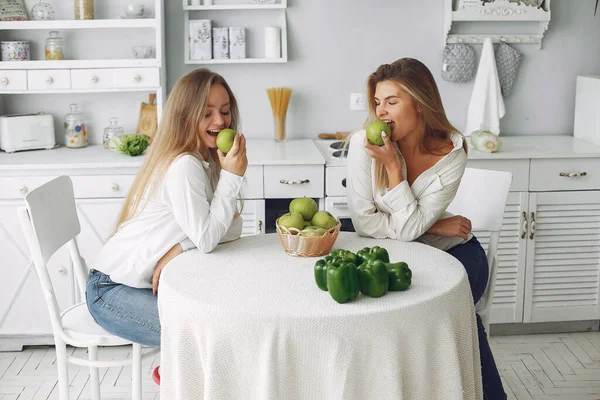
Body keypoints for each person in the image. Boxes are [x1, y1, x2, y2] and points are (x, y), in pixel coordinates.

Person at [346, 58, 506, 400]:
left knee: (457, 313)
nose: (381, 112)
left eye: (391, 102)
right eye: (377, 103)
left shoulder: (452, 153)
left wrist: (394, 172)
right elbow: (363, 223)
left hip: (455, 253)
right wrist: (435, 222)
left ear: (419, 104)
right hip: (396, 254)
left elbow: (403, 229)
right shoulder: (364, 144)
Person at [85, 68, 247, 384]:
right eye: (207, 113)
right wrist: (233, 177)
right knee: (208, 334)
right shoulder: (184, 166)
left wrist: (181, 246)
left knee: (222, 322)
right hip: (112, 291)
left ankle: (181, 373)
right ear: (186, 116)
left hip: (134, 285)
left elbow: (230, 227)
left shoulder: (204, 161)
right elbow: (210, 237)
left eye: (225, 111)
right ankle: (179, 377)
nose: (220, 121)